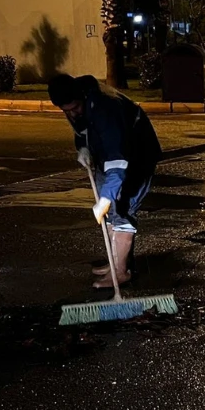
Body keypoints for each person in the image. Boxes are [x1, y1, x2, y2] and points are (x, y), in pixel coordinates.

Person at [48, 74, 162, 288]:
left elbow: (118, 160)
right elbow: (81, 129)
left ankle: (120, 272)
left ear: (82, 97)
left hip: (136, 157)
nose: (72, 113)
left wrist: (107, 197)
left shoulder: (106, 108)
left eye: (75, 108)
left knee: (122, 209)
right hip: (107, 156)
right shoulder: (78, 104)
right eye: (67, 110)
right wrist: (82, 147)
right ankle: (115, 262)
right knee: (111, 212)